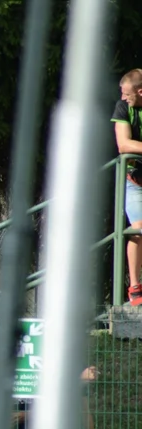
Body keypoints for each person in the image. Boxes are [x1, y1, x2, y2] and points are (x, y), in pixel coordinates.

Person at [112, 68, 142, 306]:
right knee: (138, 229)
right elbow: (123, 144)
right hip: (134, 180)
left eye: (127, 94)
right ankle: (135, 288)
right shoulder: (123, 108)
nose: (123, 98)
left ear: (140, 92)